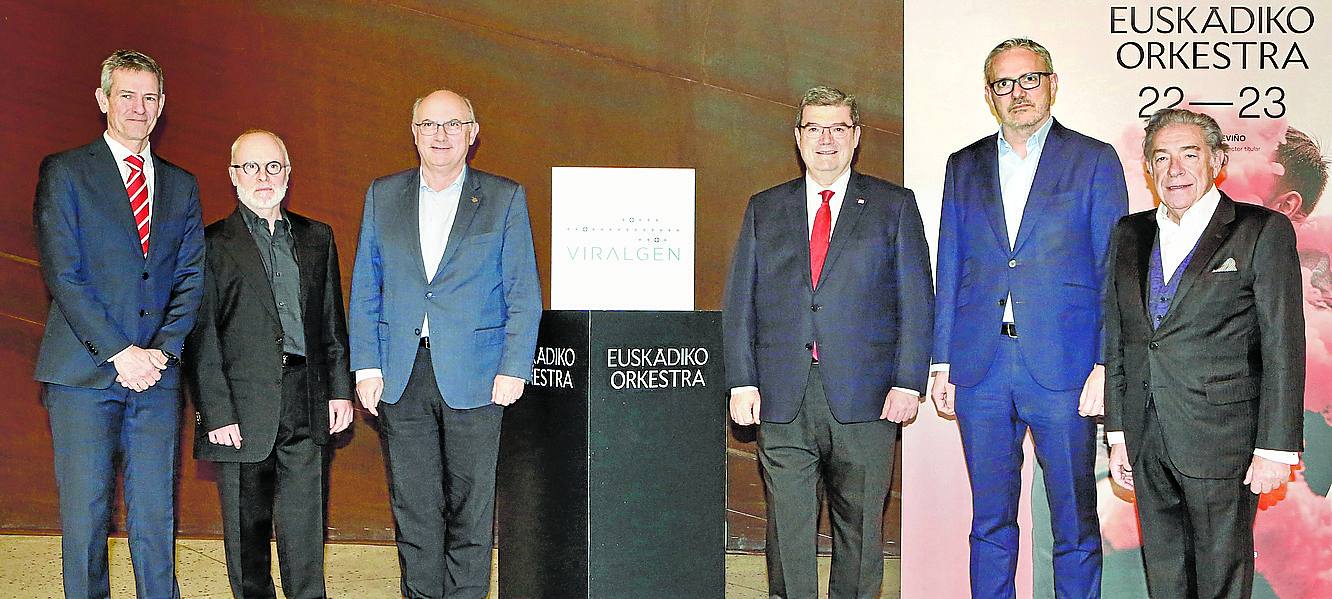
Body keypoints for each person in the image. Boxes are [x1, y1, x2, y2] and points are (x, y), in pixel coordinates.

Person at [929, 38, 1127, 598]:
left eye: (1029, 79)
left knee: (1074, 522)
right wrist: (941, 359)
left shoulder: (1092, 159)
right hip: (981, 366)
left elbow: (1113, 269)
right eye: (1003, 83)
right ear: (989, 94)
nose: (1017, 93)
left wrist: (1104, 363)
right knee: (989, 520)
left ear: (1052, 84)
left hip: (1064, 369)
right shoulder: (962, 165)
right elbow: (952, 261)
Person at [723, 85, 933, 598]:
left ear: (856, 137)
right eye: (814, 128)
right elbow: (739, 302)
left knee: (859, 527)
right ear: (797, 139)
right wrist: (741, 380)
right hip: (781, 396)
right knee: (788, 530)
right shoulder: (764, 208)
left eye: (838, 128)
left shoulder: (893, 205)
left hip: (867, 398)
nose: (826, 139)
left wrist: (909, 382)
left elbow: (917, 300)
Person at [348, 89, 542, 599]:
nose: (441, 135)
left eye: (453, 125)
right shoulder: (382, 195)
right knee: (414, 508)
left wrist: (514, 367)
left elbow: (523, 290)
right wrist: (366, 365)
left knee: (471, 510)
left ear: (473, 134)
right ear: (413, 132)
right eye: (430, 125)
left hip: (478, 377)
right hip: (400, 374)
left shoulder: (503, 197)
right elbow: (367, 285)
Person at [1104, 108, 1304, 598]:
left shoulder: (1261, 230)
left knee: (1221, 577)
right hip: (1147, 438)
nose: (1175, 169)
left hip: (1225, 441)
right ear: (1148, 169)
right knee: (1165, 576)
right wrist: (1117, 433)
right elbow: (1122, 339)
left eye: (1189, 155)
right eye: (1161, 157)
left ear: (1217, 161)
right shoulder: (1129, 234)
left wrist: (1276, 447)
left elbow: (1283, 342)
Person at [32, 49, 204, 599]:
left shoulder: (182, 184)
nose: (138, 106)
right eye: (126, 95)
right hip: (83, 374)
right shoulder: (65, 172)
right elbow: (64, 272)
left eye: (149, 96)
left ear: (162, 106)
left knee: (156, 518)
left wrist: (161, 352)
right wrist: (119, 352)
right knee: (85, 518)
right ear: (103, 100)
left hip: (158, 376)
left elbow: (190, 277)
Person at [188, 130, 353, 599]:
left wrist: (338, 389)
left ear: (288, 173)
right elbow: (202, 336)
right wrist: (216, 412)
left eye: (273, 167)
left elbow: (330, 322)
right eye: (251, 167)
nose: (263, 177)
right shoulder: (210, 244)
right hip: (241, 408)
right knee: (247, 534)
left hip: (307, 397)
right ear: (232, 175)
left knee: (305, 528)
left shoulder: (318, 237)